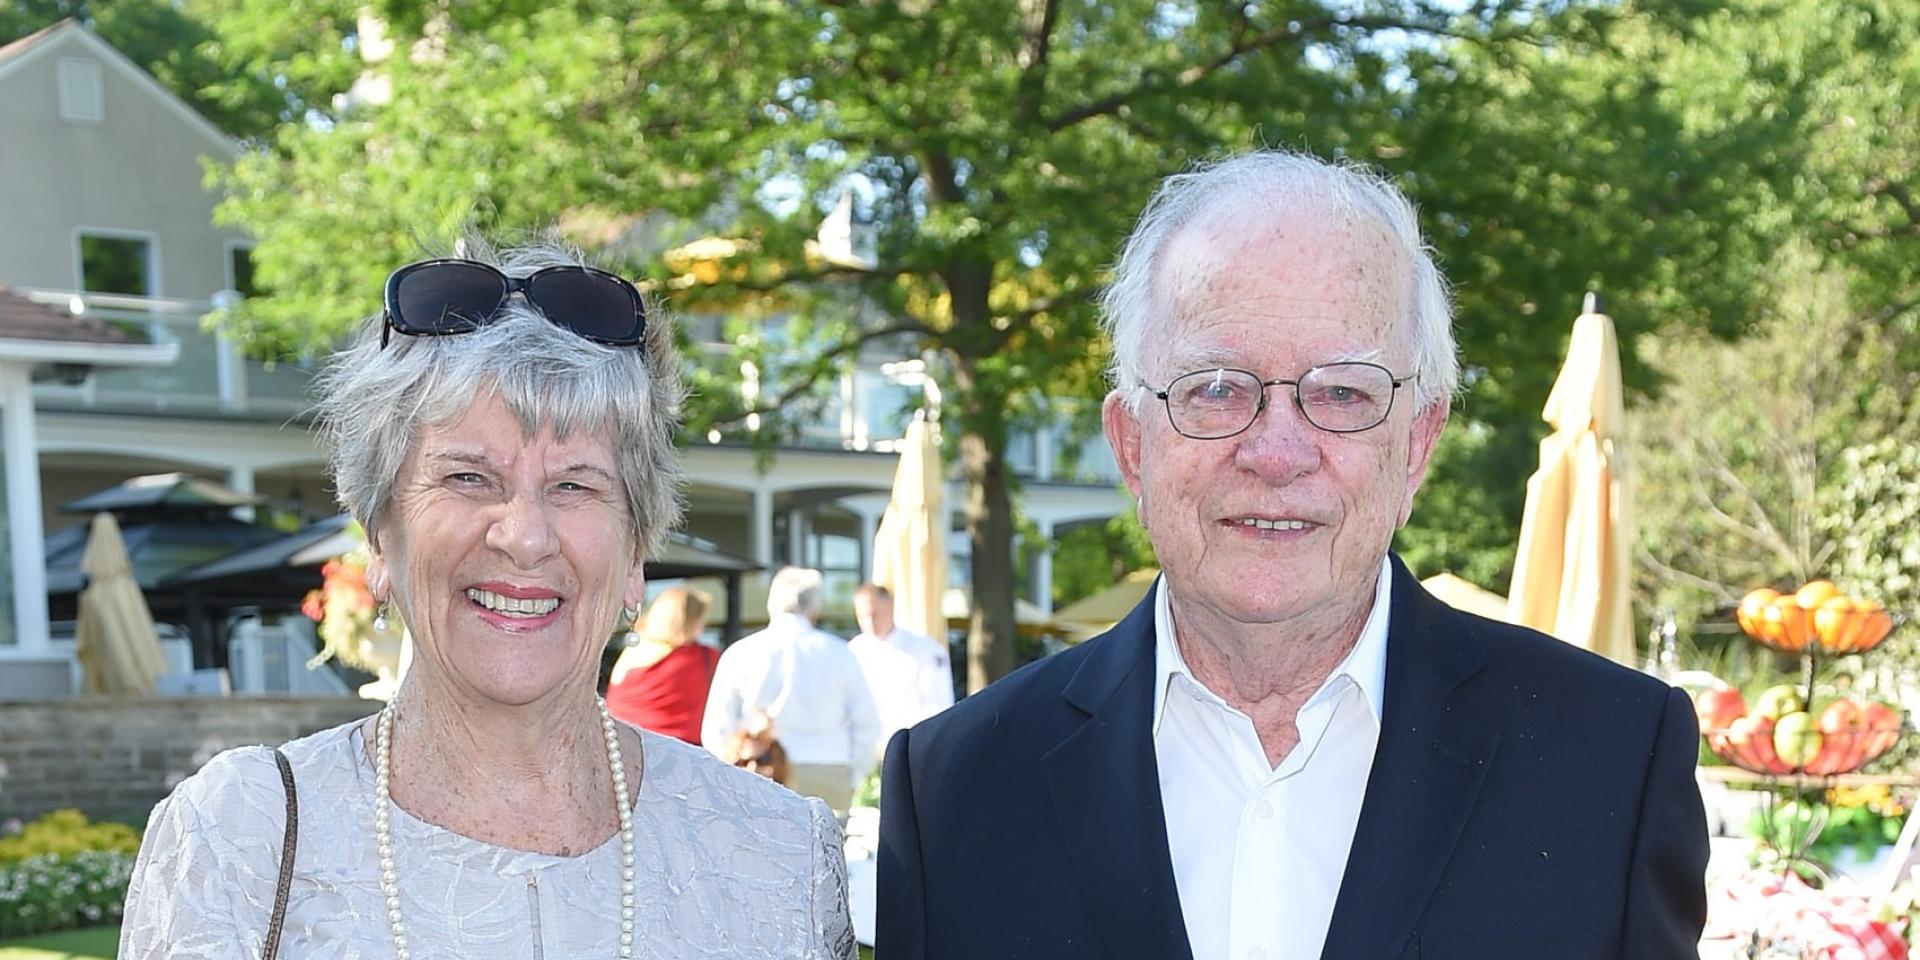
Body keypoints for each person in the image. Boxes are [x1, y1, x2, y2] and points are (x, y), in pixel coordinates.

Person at [877, 151, 1708, 959]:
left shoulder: (1612, 763)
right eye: (1215, 389)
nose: (1277, 453)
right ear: (1132, 445)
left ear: (1417, 446)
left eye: (1343, 392)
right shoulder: (955, 790)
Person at [120, 237, 856, 959]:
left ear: (636, 551)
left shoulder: (780, 857)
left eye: (574, 484)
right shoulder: (240, 841)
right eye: (468, 476)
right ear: (380, 533)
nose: (524, 536)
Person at [703, 567, 881, 814]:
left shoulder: (740, 653)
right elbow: (867, 724)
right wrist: (852, 773)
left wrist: (731, 772)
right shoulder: (840, 653)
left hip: (757, 769)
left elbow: (717, 728)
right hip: (828, 767)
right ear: (815, 607)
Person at [606, 585, 720, 744]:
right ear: (691, 622)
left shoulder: (630, 655)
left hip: (625, 748)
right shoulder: (702, 658)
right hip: (680, 753)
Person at [849, 583, 954, 742]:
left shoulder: (925, 648)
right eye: (862, 616)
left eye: (875, 614)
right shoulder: (853, 651)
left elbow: (938, 706)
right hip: (867, 746)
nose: (870, 622)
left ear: (890, 607)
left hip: (910, 744)